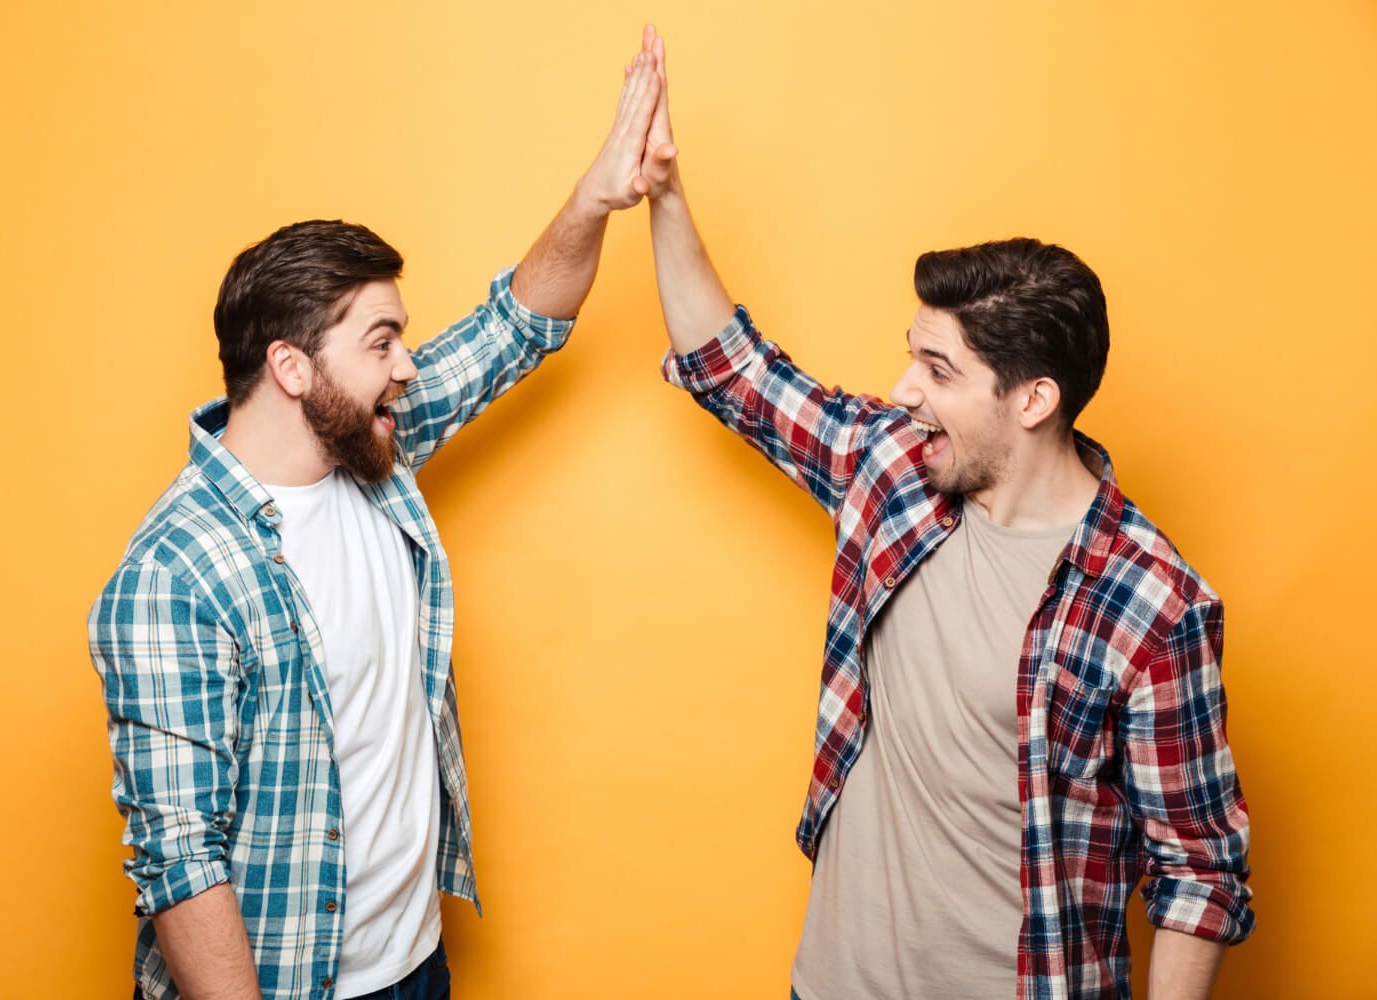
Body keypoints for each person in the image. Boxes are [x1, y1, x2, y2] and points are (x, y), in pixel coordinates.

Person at [631, 26, 1254, 999]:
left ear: (1033, 399)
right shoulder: (896, 472)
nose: (901, 388)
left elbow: (1200, 873)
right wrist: (666, 193)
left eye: (937, 369)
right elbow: (735, 371)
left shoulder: (1153, 606)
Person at [86, 41, 664, 1000]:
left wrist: (599, 195)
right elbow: (181, 866)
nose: (407, 365)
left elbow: (519, 326)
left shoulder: (372, 454)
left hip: (416, 965)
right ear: (291, 368)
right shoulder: (176, 574)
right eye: (382, 341)